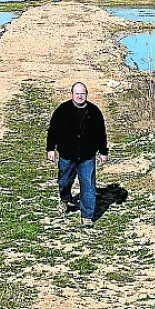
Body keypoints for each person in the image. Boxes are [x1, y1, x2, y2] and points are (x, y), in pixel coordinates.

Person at [46, 82, 109, 226]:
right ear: (71, 94)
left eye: (82, 94)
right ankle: (65, 199)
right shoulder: (62, 110)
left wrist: (103, 152)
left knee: (88, 185)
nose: (80, 96)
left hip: (87, 156)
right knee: (63, 182)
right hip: (67, 155)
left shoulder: (94, 111)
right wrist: (50, 149)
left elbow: (101, 133)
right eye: (77, 94)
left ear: (86, 94)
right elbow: (53, 130)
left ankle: (87, 216)